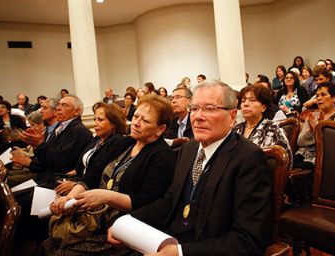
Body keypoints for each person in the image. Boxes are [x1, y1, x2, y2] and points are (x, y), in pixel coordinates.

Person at [108, 80, 272, 256]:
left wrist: (179, 252)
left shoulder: (248, 158)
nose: (198, 116)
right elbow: (170, 201)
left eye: (209, 109)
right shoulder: (188, 149)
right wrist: (128, 221)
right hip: (166, 240)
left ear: (232, 116)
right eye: (194, 109)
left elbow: (248, 240)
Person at [44, 95, 176, 255]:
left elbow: (147, 201)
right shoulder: (126, 143)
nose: (136, 123)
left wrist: (107, 196)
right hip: (94, 217)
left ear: (160, 129)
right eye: (135, 116)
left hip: (121, 226)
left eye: (145, 121)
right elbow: (92, 174)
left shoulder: (162, 156)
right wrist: (70, 197)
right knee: (49, 243)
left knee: (61, 251)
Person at [54, 102, 130, 196]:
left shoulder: (118, 141)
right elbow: (80, 167)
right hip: (79, 182)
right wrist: (65, 177)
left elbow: (97, 173)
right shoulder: (98, 138)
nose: (95, 124)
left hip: (91, 190)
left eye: (100, 120)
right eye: (95, 119)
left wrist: (75, 185)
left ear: (114, 123)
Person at [20, 95, 93, 188]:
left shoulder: (79, 131)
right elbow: (47, 159)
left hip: (61, 182)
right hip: (48, 177)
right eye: (58, 105)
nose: (58, 108)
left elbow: (62, 163)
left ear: (76, 111)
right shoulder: (60, 128)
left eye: (64, 105)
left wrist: (39, 144)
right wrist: (36, 146)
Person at [294, 82, 335, 171]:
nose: (319, 98)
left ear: (334, 98)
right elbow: (300, 141)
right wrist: (311, 130)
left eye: (323, 95)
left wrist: (315, 129)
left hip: (324, 157)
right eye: (317, 96)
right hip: (302, 155)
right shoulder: (312, 116)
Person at [233, 85, 292, 166]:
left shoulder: (273, 129)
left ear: (263, 107)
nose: (245, 104)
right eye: (243, 101)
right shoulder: (235, 129)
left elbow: (286, 162)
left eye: (252, 100)